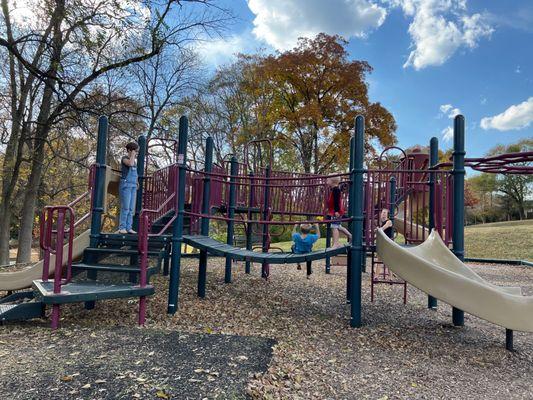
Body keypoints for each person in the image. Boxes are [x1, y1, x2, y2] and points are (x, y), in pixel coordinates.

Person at [118, 141, 139, 234]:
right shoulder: (125, 159)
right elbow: (130, 164)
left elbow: (135, 172)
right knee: (125, 207)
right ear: (130, 150)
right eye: (135, 151)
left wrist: (137, 182)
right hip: (126, 185)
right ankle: (122, 227)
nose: (136, 153)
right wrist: (132, 155)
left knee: (131, 208)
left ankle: (129, 227)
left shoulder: (134, 160)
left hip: (133, 185)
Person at [326, 175, 352, 248]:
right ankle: (351, 236)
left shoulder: (336, 190)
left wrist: (336, 211)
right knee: (338, 226)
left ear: (332, 181)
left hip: (336, 211)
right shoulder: (334, 189)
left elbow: (337, 201)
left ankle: (336, 243)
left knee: (334, 227)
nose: (327, 182)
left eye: (328, 180)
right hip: (334, 211)